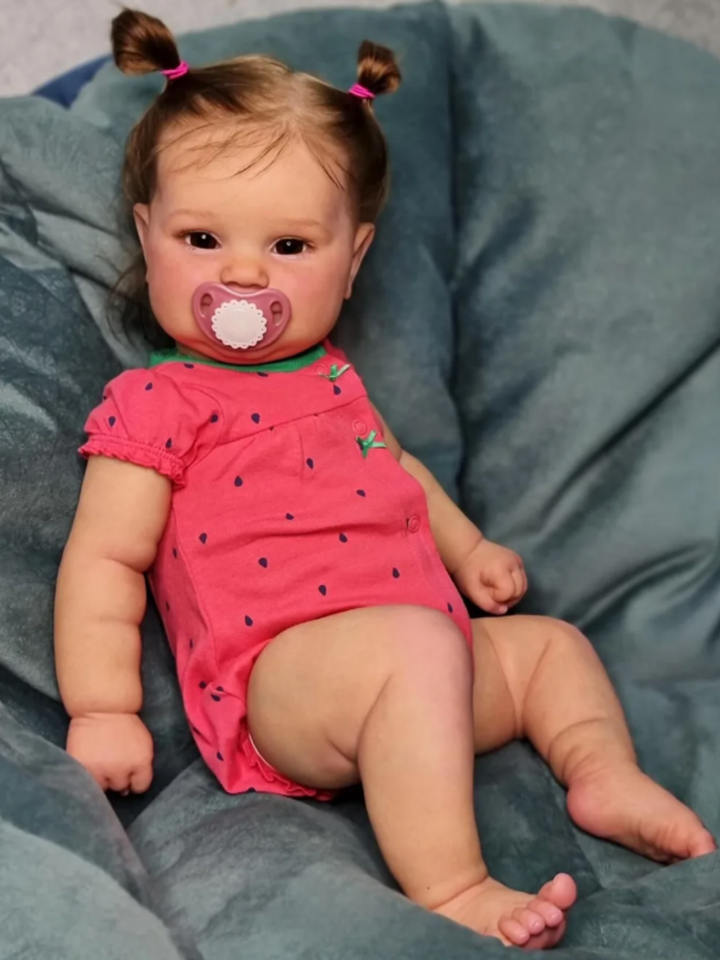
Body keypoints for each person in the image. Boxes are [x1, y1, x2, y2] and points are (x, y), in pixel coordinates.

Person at [54, 8, 716, 950]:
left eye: (289, 248)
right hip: (287, 688)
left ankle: (602, 775)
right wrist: (104, 710)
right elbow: (105, 562)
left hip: (424, 665)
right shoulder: (158, 402)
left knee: (550, 650)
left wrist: (470, 550)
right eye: (201, 239)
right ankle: (453, 885)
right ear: (145, 233)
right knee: (416, 646)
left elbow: (395, 470)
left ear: (353, 259)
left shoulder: (332, 379)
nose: (243, 275)